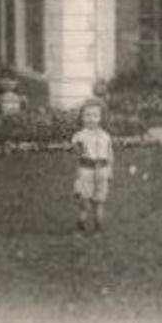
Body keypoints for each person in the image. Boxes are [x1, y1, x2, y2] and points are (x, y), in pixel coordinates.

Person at [70, 98, 114, 234]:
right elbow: (76, 155)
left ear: (101, 118)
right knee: (84, 200)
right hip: (86, 170)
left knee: (99, 200)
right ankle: (81, 225)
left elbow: (109, 153)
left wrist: (110, 170)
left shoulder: (105, 136)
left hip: (102, 170)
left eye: (95, 115)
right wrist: (77, 177)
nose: (91, 119)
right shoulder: (79, 136)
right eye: (87, 115)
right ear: (81, 117)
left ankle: (98, 227)